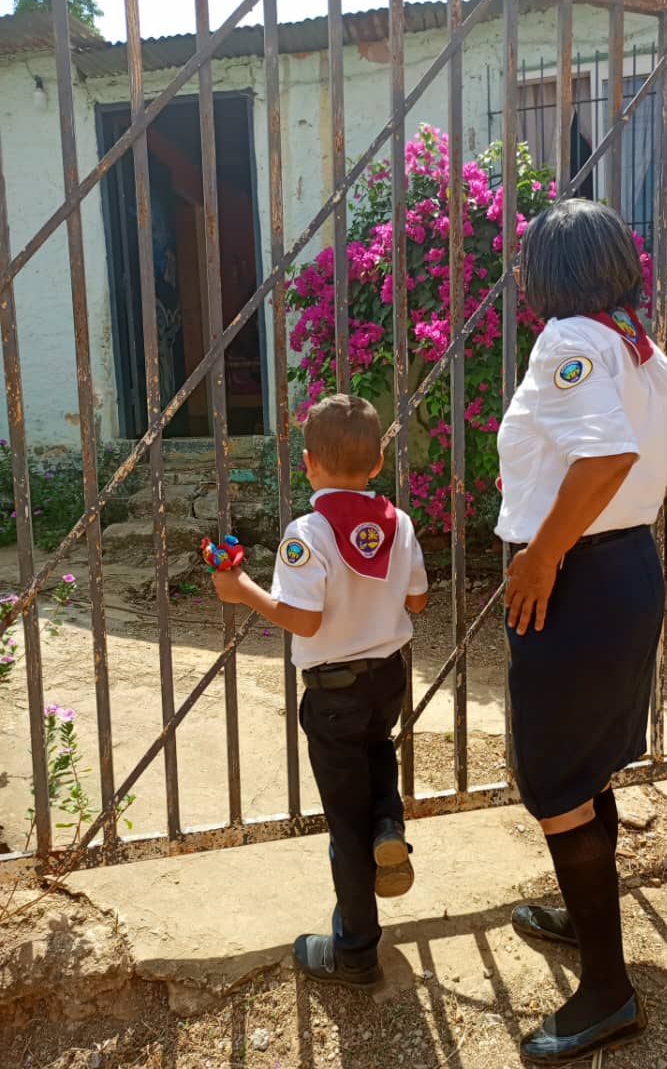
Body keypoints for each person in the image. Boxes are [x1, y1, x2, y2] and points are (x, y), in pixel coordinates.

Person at [495, 199, 667, 1064]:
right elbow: (642, 468)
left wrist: (539, 559)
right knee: (585, 761)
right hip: (624, 569)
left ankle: (607, 994)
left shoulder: (570, 341)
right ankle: (585, 917)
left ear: (547, 275)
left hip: (576, 577)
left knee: (553, 774)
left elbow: (604, 460)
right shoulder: (642, 350)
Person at [210, 393, 428, 990]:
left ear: (307, 463)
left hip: (333, 691)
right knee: (379, 750)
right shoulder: (399, 522)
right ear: (378, 463)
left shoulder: (306, 532)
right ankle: (390, 826)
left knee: (343, 823)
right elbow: (417, 601)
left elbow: (303, 621)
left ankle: (355, 950)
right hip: (388, 677)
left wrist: (243, 590)